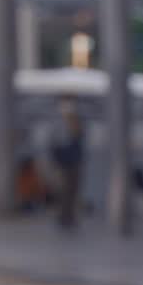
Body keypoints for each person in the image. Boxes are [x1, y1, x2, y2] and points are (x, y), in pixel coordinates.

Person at [48, 95, 86, 230]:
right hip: (65, 163)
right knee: (65, 190)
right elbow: (55, 145)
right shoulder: (59, 124)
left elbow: (78, 137)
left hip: (73, 162)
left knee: (72, 190)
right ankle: (64, 216)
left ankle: (68, 216)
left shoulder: (75, 122)